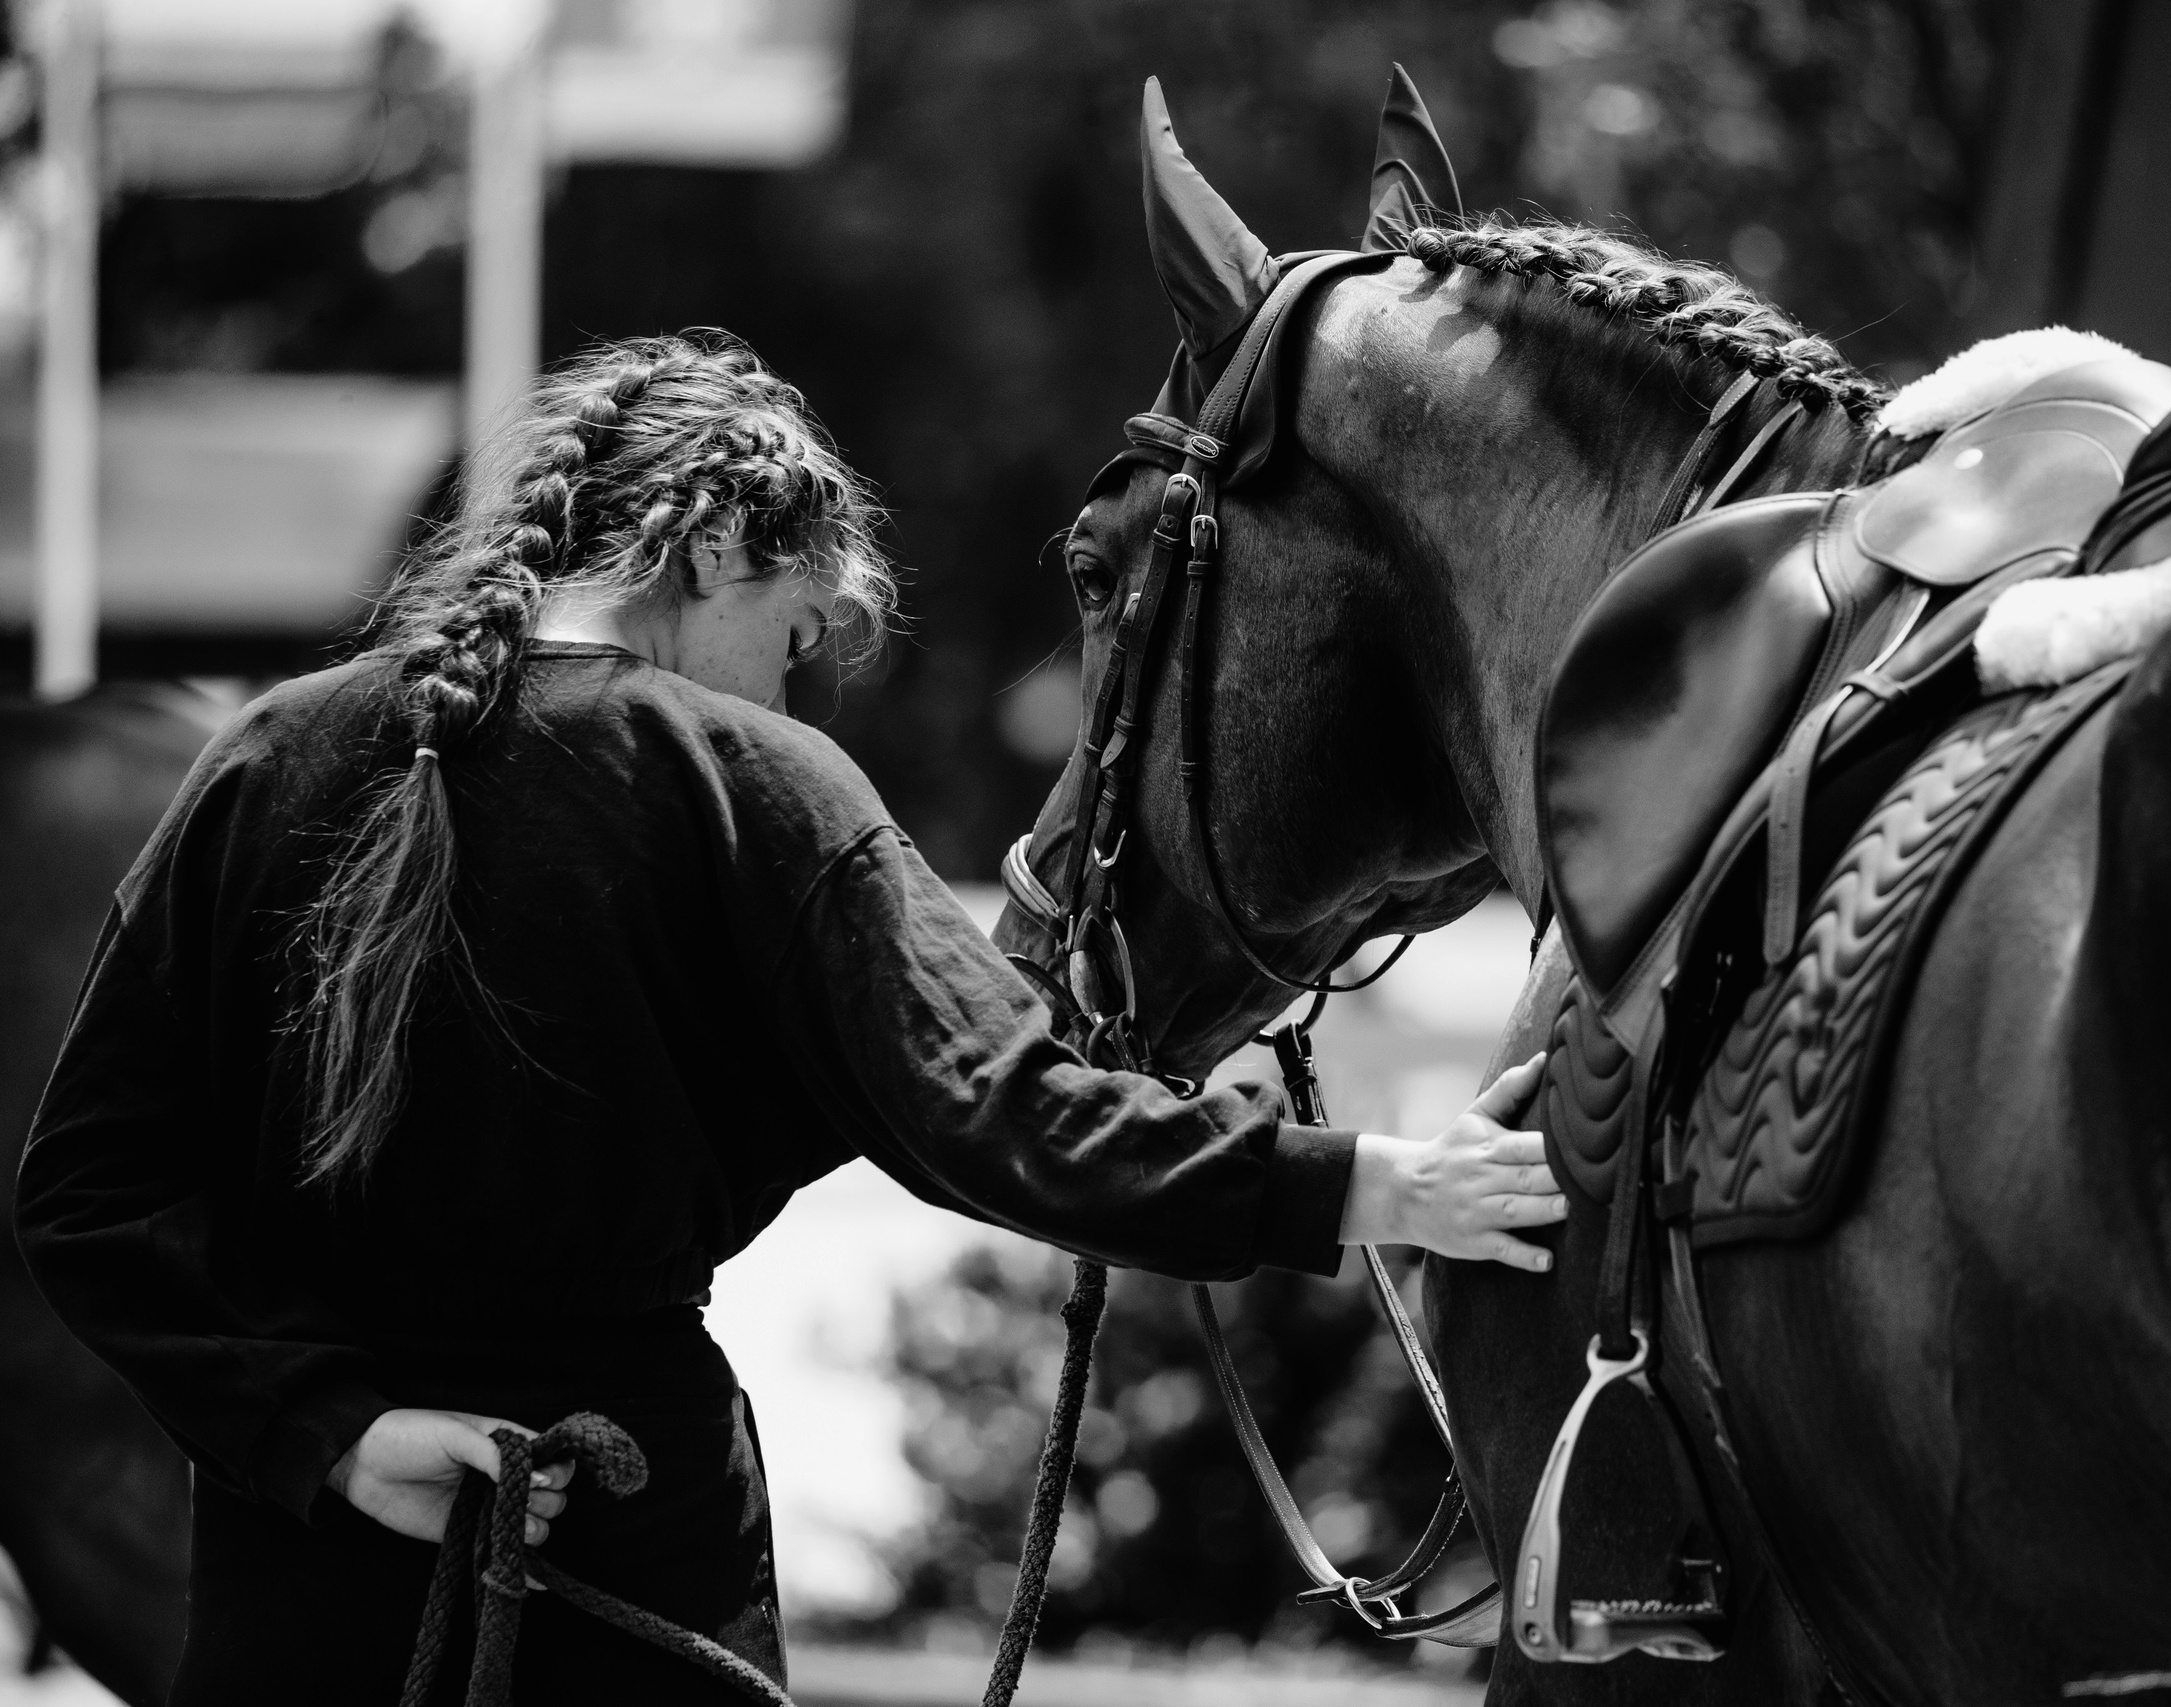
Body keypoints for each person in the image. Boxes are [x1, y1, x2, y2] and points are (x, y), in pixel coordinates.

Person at [13, 332, 1563, 1704]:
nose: (795, 680)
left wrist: (334, 1436)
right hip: (627, 1573)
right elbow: (1003, 1116)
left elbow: (84, 1196)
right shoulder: (749, 792)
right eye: (801, 626)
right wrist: (1376, 1184)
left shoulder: (269, 755)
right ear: (707, 556)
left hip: (295, 1596)